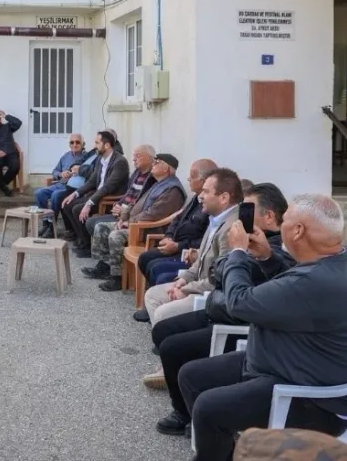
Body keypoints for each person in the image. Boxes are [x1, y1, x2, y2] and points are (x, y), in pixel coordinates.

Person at [180, 194, 347, 460]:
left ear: (298, 230)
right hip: (283, 362)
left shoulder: (316, 280)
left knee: (209, 408)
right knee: (191, 375)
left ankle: (220, 448)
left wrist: (237, 253)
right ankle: (224, 446)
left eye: (286, 219)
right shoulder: (331, 263)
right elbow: (290, 287)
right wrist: (268, 258)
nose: (279, 225)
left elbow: (239, 303)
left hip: (309, 396)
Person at [147, 183, 293, 437]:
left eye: (247, 210)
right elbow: (218, 269)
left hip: (238, 319)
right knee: (163, 331)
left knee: (174, 347)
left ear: (269, 216)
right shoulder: (254, 239)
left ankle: (185, 412)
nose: (240, 216)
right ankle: (185, 401)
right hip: (221, 306)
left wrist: (237, 253)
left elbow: (232, 278)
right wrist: (234, 259)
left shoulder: (275, 246)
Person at [143, 168, 241, 326]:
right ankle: (164, 338)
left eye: (206, 191)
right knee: (152, 295)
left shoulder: (232, 228)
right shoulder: (216, 218)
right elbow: (200, 261)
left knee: (162, 313)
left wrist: (187, 289)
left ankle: (169, 340)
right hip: (198, 285)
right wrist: (183, 279)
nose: (200, 196)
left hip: (211, 294)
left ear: (224, 198)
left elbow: (220, 279)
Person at [83, 153, 186, 291]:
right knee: (101, 227)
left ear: (166, 168)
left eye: (157, 162)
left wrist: (131, 222)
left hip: (148, 230)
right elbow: (137, 203)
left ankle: (117, 278)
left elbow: (154, 214)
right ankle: (105, 265)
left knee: (116, 236)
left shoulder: (173, 189)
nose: (153, 164)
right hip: (135, 223)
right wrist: (124, 218)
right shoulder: (157, 183)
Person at [132, 159, 217, 323]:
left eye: (192, 176)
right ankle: (152, 307)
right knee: (145, 258)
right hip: (175, 245)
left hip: (187, 252)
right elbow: (178, 219)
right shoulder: (196, 198)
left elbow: (203, 241)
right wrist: (169, 236)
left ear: (204, 180)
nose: (188, 180)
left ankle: (163, 314)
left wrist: (178, 246)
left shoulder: (209, 207)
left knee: (157, 268)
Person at [60, 130, 130, 252]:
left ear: (107, 145)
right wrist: (75, 194)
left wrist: (89, 203)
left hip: (109, 200)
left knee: (77, 209)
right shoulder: (100, 159)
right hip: (98, 195)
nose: (94, 146)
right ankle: (82, 238)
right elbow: (92, 182)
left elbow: (108, 187)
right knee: (67, 204)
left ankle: (87, 245)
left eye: (97, 143)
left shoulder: (120, 162)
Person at [35, 133, 86, 237]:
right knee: (39, 192)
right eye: (72, 142)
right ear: (69, 144)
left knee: (56, 195)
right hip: (60, 183)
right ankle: (46, 223)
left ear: (82, 144)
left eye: (77, 142)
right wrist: (60, 174)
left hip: (72, 187)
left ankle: (51, 227)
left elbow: (89, 173)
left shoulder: (86, 157)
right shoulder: (66, 156)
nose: (74, 144)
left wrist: (75, 173)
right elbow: (55, 171)